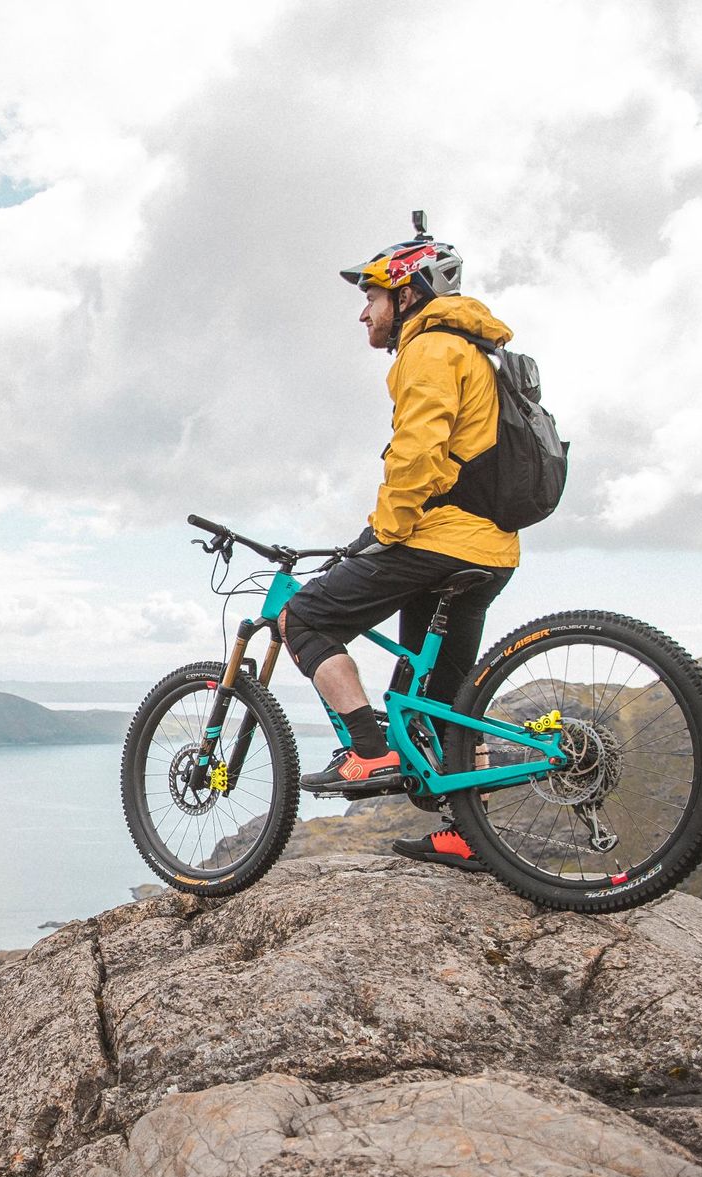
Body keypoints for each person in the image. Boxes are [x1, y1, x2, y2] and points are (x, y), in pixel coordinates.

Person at [277, 222, 518, 871]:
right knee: (439, 698)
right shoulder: (472, 349)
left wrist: (383, 533)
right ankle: (471, 831)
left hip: (436, 540)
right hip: (487, 550)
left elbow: (417, 453)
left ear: (407, 294)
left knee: (303, 615)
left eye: (373, 296)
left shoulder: (431, 347)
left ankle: (367, 747)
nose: (364, 311)